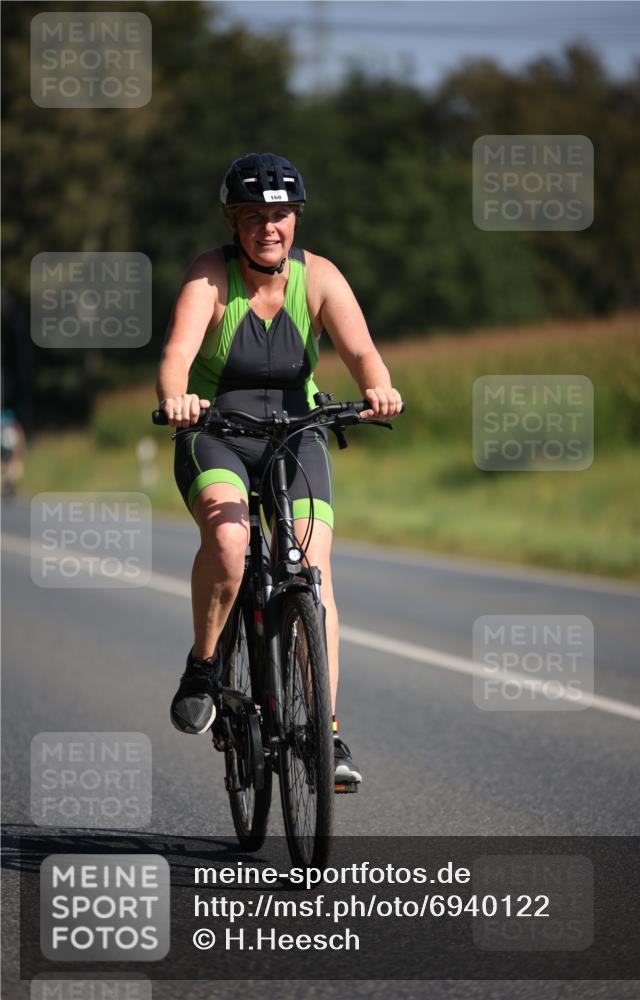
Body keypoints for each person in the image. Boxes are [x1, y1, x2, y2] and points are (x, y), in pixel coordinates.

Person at [156, 152, 402, 788]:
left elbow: (362, 350)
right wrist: (177, 397)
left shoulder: (318, 278)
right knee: (231, 540)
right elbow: (177, 355)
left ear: (296, 220)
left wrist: (379, 388)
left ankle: (328, 731)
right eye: (255, 216)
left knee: (313, 575)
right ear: (235, 222)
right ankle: (205, 667)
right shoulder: (210, 277)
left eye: (282, 215)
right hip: (217, 434)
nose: (270, 227)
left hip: (297, 436)